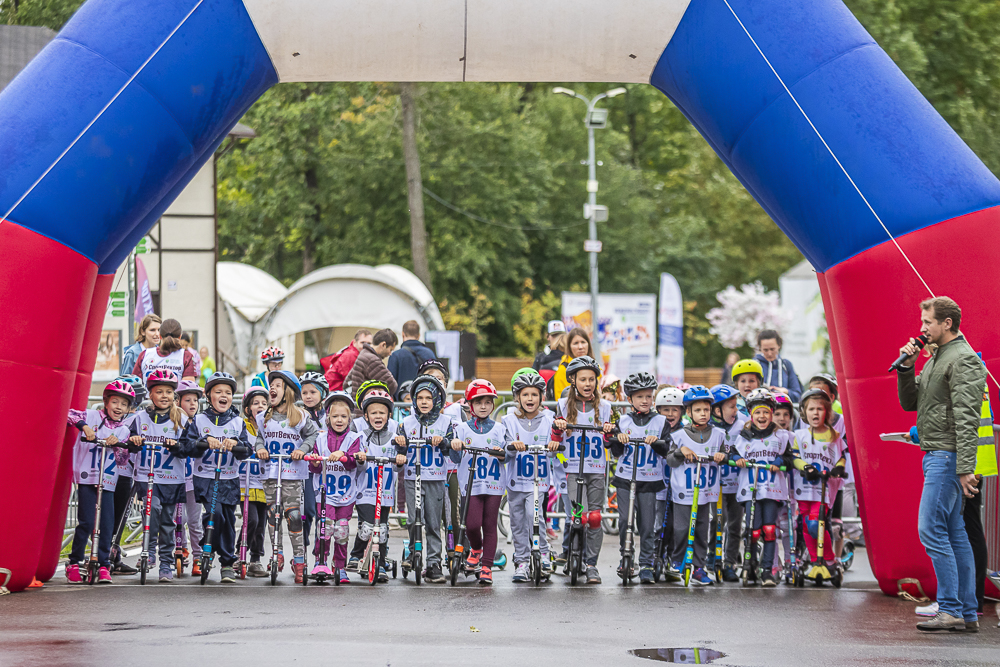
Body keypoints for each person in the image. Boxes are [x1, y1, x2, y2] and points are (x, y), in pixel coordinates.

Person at [897, 296, 984, 633]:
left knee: (930, 528)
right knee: (954, 532)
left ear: (947, 323)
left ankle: (950, 609)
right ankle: (966, 612)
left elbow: (967, 420)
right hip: (936, 454)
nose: (922, 329)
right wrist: (906, 366)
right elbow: (911, 402)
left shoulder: (962, 359)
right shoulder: (937, 357)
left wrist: (965, 468)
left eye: (927, 323)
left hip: (947, 457)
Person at [177, 371, 250, 584]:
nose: (223, 395)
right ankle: (208, 544)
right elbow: (185, 446)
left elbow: (247, 450)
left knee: (228, 520)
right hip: (206, 477)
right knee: (214, 512)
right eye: (218, 391)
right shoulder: (199, 421)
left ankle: (227, 563)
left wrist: (236, 444)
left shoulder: (238, 422)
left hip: (230, 478)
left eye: (227, 392)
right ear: (209, 396)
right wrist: (203, 442)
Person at [550, 355, 613, 584]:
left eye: (592, 379)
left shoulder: (605, 407)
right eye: (583, 379)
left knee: (595, 517)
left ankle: (591, 564)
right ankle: (572, 553)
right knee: (578, 516)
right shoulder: (562, 405)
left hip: (596, 468)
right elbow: (554, 439)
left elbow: (610, 442)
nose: (588, 384)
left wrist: (609, 433)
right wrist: (558, 428)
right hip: (573, 468)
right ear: (573, 381)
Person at [65, 380, 134, 584]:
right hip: (88, 478)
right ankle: (75, 561)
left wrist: (119, 445)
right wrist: (85, 427)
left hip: (108, 482)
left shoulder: (123, 430)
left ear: (128, 408)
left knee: (106, 523)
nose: (118, 407)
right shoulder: (92, 416)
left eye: (123, 404)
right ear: (106, 402)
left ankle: (104, 564)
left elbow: (123, 460)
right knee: (86, 521)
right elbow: (68, 414)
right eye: (115, 402)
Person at [608, 373, 672, 584]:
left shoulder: (661, 421)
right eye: (640, 397)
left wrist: (657, 442)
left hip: (650, 480)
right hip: (626, 478)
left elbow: (666, 450)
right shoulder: (623, 420)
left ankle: (646, 563)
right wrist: (619, 438)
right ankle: (626, 556)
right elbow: (615, 451)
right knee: (626, 520)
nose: (645, 400)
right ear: (630, 399)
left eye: (648, 396)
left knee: (647, 524)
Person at [254, 370, 317, 584]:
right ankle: (276, 553)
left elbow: (312, 435)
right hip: (271, 472)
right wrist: (261, 449)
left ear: (288, 391)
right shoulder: (263, 416)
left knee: (294, 516)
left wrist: (304, 450)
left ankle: (299, 560)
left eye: (278, 385)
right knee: (273, 514)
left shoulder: (300, 416)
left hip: (292, 474)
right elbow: (259, 439)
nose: (272, 388)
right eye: (271, 385)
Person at [127, 370, 188, 583]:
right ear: (150, 395)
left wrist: (177, 446)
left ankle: (165, 562)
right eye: (159, 391)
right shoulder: (140, 418)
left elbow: (188, 447)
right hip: (147, 475)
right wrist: (134, 441)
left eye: (169, 392)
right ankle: (149, 550)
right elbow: (129, 447)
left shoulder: (181, 418)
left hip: (171, 478)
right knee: (151, 509)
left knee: (167, 521)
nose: (164, 396)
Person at [394, 374, 455, 583]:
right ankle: (412, 552)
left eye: (429, 398)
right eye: (420, 398)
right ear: (414, 400)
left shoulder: (446, 422)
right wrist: (401, 444)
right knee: (413, 519)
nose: (424, 402)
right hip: (413, 477)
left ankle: (433, 562)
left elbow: (453, 452)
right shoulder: (406, 423)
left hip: (436, 478)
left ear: (437, 399)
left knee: (432, 521)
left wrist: (444, 442)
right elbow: (399, 451)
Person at [730, 388, 793, 587]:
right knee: (753, 530)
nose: (762, 416)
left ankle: (768, 569)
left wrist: (780, 460)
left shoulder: (781, 436)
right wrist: (737, 459)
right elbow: (732, 453)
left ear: (771, 413)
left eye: (766, 412)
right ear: (751, 414)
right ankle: (750, 563)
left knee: (769, 529)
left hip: (772, 490)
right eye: (757, 412)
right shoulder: (744, 436)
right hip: (751, 490)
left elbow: (790, 458)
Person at [665, 385, 727, 586]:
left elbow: (730, 455)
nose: (703, 414)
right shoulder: (679, 436)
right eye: (698, 410)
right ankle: (678, 561)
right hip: (685, 491)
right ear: (689, 412)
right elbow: (671, 461)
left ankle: (699, 567)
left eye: (706, 410)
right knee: (682, 528)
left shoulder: (718, 435)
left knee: (702, 529)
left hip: (706, 492)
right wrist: (680, 452)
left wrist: (723, 456)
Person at [449, 380, 508, 586]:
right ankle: (476, 549)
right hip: (470, 484)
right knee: (472, 525)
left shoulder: (500, 429)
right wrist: (454, 447)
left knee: (490, 525)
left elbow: (508, 455)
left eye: (488, 402)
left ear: (493, 404)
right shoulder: (462, 428)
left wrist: (503, 454)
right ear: (470, 405)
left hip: (493, 484)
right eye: (478, 402)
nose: (483, 406)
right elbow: (455, 460)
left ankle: (487, 567)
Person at [503, 371, 557, 582]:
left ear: (541, 397)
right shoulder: (509, 420)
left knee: (535, 517)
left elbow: (555, 449)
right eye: (525, 395)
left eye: (534, 395)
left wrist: (553, 446)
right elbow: (505, 452)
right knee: (516, 521)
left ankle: (543, 554)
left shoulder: (549, 419)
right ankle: (522, 560)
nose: (530, 399)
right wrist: (512, 447)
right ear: (518, 397)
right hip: (517, 481)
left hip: (538, 481)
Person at [348, 389, 406, 582]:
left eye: (382, 412)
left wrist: (400, 458)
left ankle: (379, 564)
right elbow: (357, 462)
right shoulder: (359, 432)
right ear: (366, 415)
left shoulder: (396, 431)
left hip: (386, 491)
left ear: (389, 414)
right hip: (365, 490)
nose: (378, 416)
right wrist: (361, 458)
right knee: (367, 526)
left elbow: (399, 467)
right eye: (373, 413)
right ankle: (356, 555)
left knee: (381, 529)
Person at [791, 389, 847, 577]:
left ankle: (829, 559)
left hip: (823, 488)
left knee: (817, 523)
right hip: (804, 487)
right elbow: (795, 457)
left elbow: (841, 457)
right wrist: (805, 467)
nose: (815, 413)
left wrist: (839, 468)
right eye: (811, 409)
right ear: (804, 413)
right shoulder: (799, 435)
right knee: (806, 524)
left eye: (820, 409)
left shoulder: (835, 436)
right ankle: (816, 559)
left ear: (827, 412)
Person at [312, 391, 364, 584]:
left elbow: (353, 462)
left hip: (345, 494)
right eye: (335, 416)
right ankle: (321, 560)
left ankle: (339, 566)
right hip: (324, 494)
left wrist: (342, 454)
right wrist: (316, 461)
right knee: (325, 528)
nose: (339, 420)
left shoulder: (354, 438)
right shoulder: (320, 439)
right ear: (328, 417)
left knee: (341, 530)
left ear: (349, 418)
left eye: (343, 416)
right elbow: (313, 466)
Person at [708, 383, 744, 582]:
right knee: (716, 522)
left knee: (735, 525)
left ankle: (730, 562)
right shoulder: (710, 428)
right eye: (731, 406)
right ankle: (713, 556)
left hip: (738, 485)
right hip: (716, 485)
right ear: (717, 409)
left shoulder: (743, 425)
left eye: (736, 405)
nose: (736, 410)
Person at [238, 386, 270, 577]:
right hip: (245, 482)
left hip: (264, 482)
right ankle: (238, 553)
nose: (260, 406)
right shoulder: (242, 426)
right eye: (256, 403)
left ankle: (255, 560)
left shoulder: (270, 428)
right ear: (248, 408)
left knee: (261, 525)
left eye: (264, 403)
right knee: (251, 520)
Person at [175, 380, 205, 576]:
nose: (192, 404)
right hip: (176, 479)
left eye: (195, 400)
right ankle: (180, 548)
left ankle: (198, 556)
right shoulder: (173, 422)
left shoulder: (200, 423)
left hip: (194, 479)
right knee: (178, 518)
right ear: (178, 401)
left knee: (194, 521)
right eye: (188, 400)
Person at [299, 372, 329, 553]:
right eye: (305, 393)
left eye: (313, 392)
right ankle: (301, 548)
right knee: (308, 511)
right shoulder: (299, 415)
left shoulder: (329, 416)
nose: (308, 396)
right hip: (305, 470)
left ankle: (320, 552)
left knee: (321, 513)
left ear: (323, 394)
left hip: (324, 470)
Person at [132, 318, 197, 382]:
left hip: (150, 392)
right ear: (180, 337)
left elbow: (135, 384)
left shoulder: (145, 354)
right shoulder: (186, 356)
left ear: (160, 336)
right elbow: (188, 387)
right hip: (175, 392)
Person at [345, 328, 399, 399]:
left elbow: (346, 383)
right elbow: (392, 386)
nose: (390, 353)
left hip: (359, 405)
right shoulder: (372, 360)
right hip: (366, 407)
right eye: (390, 349)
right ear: (383, 345)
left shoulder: (364, 354)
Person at [753, 330, 803, 402]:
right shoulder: (754, 365)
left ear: (779, 346)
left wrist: (785, 392)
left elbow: (797, 394)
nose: (769, 353)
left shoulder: (786, 365)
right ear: (760, 348)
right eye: (765, 350)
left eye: (772, 349)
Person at [387, 320, 436, 387]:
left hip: (401, 397)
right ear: (419, 335)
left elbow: (390, 383)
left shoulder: (396, 355)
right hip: (424, 396)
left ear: (403, 334)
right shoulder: (429, 354)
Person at [551, 327, 594, 401]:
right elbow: (561, 403)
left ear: (588, 344)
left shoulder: (596, 368)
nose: (580, 347)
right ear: (569, 347)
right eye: (576, 343)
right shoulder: (563, 370)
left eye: (583, 342)